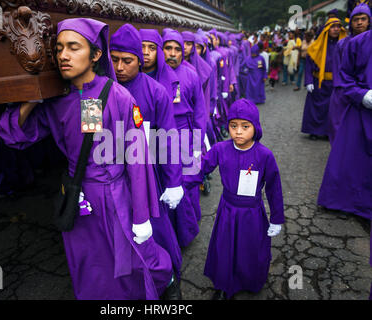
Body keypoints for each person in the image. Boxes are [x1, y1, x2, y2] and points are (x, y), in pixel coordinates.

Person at [0, 18, 173, 300]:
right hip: (79, 196)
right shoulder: (57, 100)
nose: (63, 55)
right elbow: (15, 136)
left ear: (95, 55)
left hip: (116, 197)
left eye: (73, 47)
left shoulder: (118, 97)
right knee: (90, 264)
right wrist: (34, 96)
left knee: (131, 260)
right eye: (58, 48)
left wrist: (141, 216)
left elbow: (138, 161)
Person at [109, 23, 184, 298]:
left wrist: (174, 181)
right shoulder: (98, 93)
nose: (119, 67)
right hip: (113, 176)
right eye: (114, 59)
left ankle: (169, 279)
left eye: (127, 61)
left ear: (139, 62)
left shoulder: (156, 92)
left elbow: (168, 140)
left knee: (155, 231)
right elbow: (88, 136)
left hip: (149, 174)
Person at [201, 98, 285, 300]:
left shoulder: (265, 156)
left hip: (252, 213)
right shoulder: (220, 149)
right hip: (228, 210)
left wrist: (277, 218)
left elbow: (274, 188)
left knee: (250, 248)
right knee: (225, 247)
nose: (238, 131)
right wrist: (177, 183)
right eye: (233, 126)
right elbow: (199, 169)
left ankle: (250, 281)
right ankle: (223, 284)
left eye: (245, 126)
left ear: (255, 127)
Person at [317, 28, 372, 222]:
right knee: (351, 157)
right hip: (360, 108)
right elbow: (344, 74)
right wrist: (361, 95)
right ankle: (346, 200)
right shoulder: (356, 43)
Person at [162, 29, 206, 247]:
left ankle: (189, 228)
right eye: (168, 48)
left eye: (177, 49)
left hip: (186, 134)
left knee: (188, 182)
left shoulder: (191, 75)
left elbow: (200, 111)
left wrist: (198, 145)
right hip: (161, 138)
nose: (172, 53)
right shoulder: (154, 75)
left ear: (183, 53)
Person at [327, 4, 371, 143]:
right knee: (339, 128)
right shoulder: (342, 44)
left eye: (363, 19)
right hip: (344, 93)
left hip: (368, 94)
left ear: (369, 21)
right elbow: (340, 71)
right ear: (350, 22)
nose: (359, 22)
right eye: (356, 19)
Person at [301, 18, 347, 140]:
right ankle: (313, 131)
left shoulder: (345, 45)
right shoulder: (316, 46)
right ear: (327, 29)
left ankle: (328, 132)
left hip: (336, 83)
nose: (336, 29)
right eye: (333, 26)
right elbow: (309, 64)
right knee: (315, 109)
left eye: (338, 26)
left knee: (332, 110)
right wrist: (309, 81)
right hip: (318, 82)